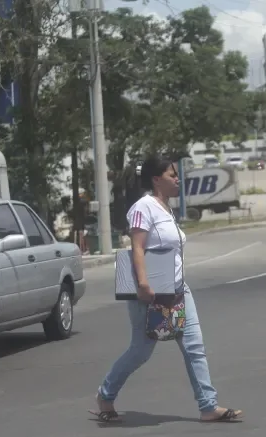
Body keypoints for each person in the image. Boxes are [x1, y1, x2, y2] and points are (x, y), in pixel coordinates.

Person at [91, 156, 243, 423]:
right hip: (150, 290)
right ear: (155, 179)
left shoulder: (167, 209)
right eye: (172, 174)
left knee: (194, 346)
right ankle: (106, 393)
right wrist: (144, 284)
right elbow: (137, 246)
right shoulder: (144, 207)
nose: (178, 179)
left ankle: (208, 406)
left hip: (177, 289)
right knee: (141, 350)